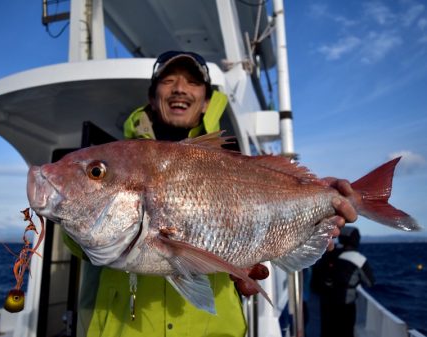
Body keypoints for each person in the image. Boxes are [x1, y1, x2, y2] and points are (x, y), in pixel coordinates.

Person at [66, 50, 358, 337]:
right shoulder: (120, 160)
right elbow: (85, 236)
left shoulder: (232, 163)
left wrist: (320, 199)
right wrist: (66, 211)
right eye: (168, 81)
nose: (180, 88)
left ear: (206, 102)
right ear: (152, 97)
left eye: (192, 82)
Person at [311, 226, 375, 337]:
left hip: (326, 302)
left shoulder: (327, 254)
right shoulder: (358, 258)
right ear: (356, 240)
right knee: (346, 332)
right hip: (345, 306)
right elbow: (370, 282)